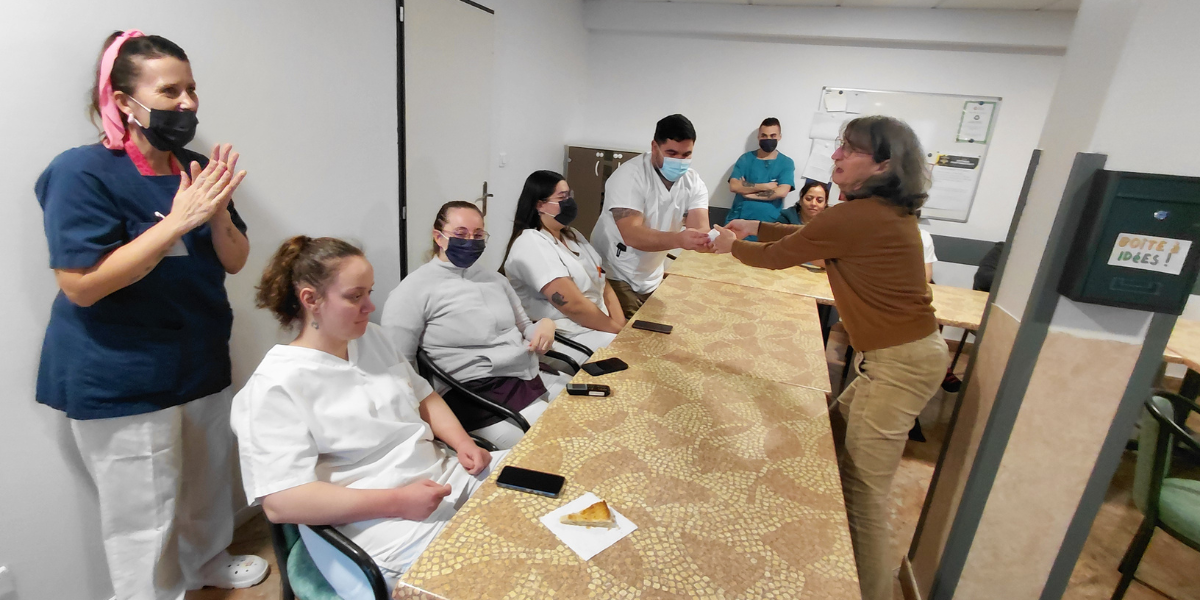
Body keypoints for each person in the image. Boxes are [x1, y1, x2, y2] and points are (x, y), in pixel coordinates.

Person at [32, 30, 265, 599]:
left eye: (191, 89)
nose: (188, 103)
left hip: (199, 355)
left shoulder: (196, 166)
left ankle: (207, 561)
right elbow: (81, 287)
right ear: (123, 101)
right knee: (144, 514)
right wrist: (177, 222)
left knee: (206, 483)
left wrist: (213, 215)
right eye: (170, 91)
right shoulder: (80, 172)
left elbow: (235, 260)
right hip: (121, 372)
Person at [713, 115, 949, 600]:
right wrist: (752, 224)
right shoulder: (874, 211)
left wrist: (731, 244)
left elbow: (776, 257)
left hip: (898, 364)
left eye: (850, 149)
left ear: (883, 164)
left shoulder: (858, 214)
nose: (837, 155)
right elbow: (810, 240)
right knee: (831, 436)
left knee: (864, 496)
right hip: (895, 357)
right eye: (840, 145)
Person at [232, 236, 502, 594]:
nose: (370, 306)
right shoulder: (275, 386)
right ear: (311, 299)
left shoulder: (371, 338)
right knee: (492, 572)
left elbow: (423, 396)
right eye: (355, 296)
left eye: (369, 293)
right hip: (373, 523)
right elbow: (283, 503)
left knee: (538, 496)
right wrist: (399, 502)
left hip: (442, 478)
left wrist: (463, 443)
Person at [382, 201, 565, 449]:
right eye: (460, 234)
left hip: (522, 374)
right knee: (555, 440)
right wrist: (425, 424)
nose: (470, 240)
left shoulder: (495, 280)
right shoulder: (413, 290)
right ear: (439, 237)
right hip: (471, 392)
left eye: (478, 235)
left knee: (586, 410)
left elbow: (524, 327)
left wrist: (545, 325)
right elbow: (400, 366)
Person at [590, 114, 712, 318]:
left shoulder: (693, 182)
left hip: (651, 272)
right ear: (655, 146)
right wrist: (680, 239)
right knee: (630, 336)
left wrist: (712, 240)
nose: (679, 161)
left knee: (661, 327)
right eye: (672, 153)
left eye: (686, 155)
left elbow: (700, 227)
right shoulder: (630, 177)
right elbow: (632, 234)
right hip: (615, 271)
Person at [503, 171, 626, 360]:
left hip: (599, 326)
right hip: (567, 336)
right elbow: (574, 306)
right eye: (562, 197)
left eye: (569, 195)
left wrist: (621, 325)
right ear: (539, 204)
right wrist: (617, 331)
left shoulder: (573, 235)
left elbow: (602, 282)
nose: (569, 202)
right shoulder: (531, 243)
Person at [724, 117, 797, 240]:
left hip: (768, 226)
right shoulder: (745, 159)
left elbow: (781, 191)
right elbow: (734, 186)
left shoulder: (786, 163)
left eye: (773, 136)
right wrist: (766, 186)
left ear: (780, 137)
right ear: (758, 137)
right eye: (764, 135)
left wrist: (748, 192)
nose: (768, 139)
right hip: (739, 221)